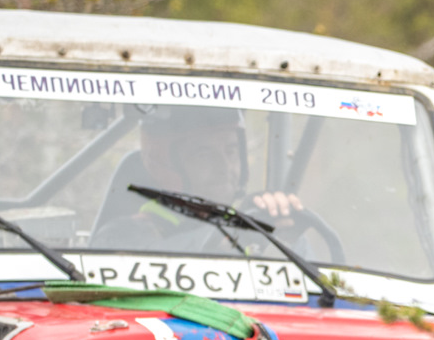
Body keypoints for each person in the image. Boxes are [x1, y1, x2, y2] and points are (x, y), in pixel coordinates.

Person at [91, 105, 304, 250]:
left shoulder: (250, 222)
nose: (224, 167)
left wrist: (283, 236)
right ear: (165, 166)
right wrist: (232, 236)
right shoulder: (121, 236)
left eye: (230, 151)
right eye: (204, 155)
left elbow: (320, 296)